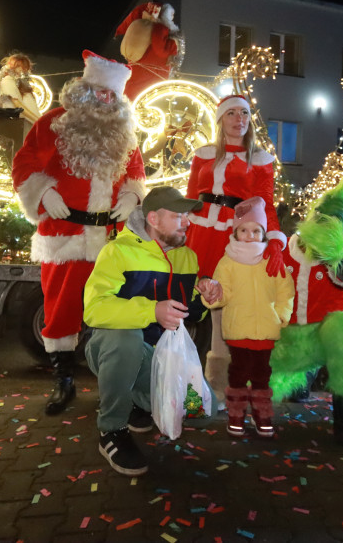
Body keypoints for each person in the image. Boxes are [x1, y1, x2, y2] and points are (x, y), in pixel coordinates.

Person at [11, 51, 146, 416]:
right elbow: (24, 162)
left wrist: (133, 195)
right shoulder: (55, 123)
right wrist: (43, 192)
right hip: (64, 234)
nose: (105, 100)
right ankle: (64, 382)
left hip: (110, 240)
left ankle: (116, 384)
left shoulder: (125, 134)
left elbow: (137, 173)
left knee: (113, 311)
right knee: (61, 309)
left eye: (111, 95)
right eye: (99, 92)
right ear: (84, 89)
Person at [83, 186, 222, 475]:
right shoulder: (117, 252)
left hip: (158, 360)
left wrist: (204, 296)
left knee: (204, 413)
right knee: (127, 338)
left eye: (188, 216)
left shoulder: (187, 257)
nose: (188, 221)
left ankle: (139, 402)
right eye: (179, 215)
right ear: (154, 219)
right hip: (114, 349)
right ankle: (112, 429)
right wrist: (151, 311)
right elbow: (94, 309)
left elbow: (190, 312)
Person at [185, 94, 286, 402]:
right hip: (200, 235)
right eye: (232, 113)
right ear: (220, 119)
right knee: (192, 304)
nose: (240, 119)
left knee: (225, 306)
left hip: (234, 237)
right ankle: (184, 376)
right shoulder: (203, 154)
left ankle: (219, 382)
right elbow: (190, 197)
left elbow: (265, 205)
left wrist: (274, 240)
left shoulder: (260, 159)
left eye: (244, 113)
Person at [269, 175, 343, 445]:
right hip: (286, 338)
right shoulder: (283, 250)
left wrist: (334, 256)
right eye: (322, 221)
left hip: (325, 335)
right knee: (262, 381)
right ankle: (301, 377)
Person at [202, 197, 294, 437]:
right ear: (236, 232)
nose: (250, 235)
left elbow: (286, 291)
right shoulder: (228, 261)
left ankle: (262, 416)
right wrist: (213, 293)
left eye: (256, 230)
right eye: (243, 230)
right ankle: (236, 415)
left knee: (262, 375)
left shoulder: (272, 259)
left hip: (265, 329)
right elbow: (223, 292)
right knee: (239, 373)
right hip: (239, 330)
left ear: (264, 234)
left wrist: (281, 315)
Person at [115, 2, 181, 101]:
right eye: (171, 15)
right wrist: (174, 45)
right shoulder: (160, 30)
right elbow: (161, 50)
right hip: (150, 84)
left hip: (136, 83)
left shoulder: (139, 30)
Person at [0, 52, 42, 127]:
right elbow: (18, 105)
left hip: (23, 123)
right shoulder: (7, 80)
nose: (23, 70)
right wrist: (38, 120)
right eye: (19, 66)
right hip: (16, 123)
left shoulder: (19, 84)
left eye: (25, 67)